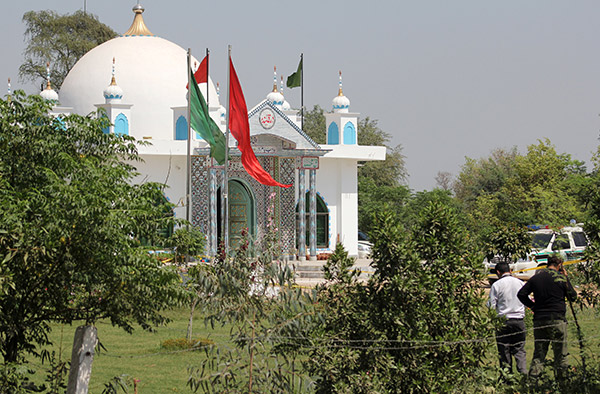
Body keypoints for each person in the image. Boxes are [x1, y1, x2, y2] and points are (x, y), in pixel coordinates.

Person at [517, 254, 577, 380]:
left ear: (547, 264)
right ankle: (562, 381)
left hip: (539, 319)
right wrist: (566, 278)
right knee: (561, 353)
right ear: (559, 265)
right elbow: (573, 296)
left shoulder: (536, 278)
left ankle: (533, 380)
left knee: (539, 352)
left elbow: (521, 294)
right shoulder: (560, 278)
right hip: (557, 319)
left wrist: (532, 306)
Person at [487, 261, 527, 373]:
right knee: (519, 349)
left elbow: (491, 305)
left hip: (503, 320)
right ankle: (523, 374)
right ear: (510, 270)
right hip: (519, 319)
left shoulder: (497, 285)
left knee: (504, 349)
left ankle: (506, 375)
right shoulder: (520, 283)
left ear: (498, 272)